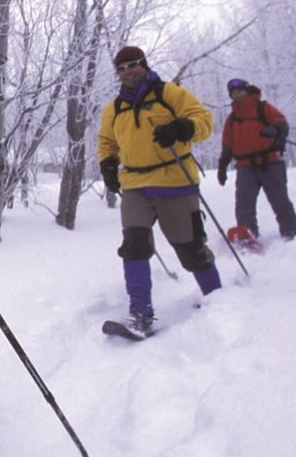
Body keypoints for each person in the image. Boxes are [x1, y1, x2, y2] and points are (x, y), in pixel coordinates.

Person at [97, 45, 221, 337]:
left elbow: (204, 120)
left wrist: (182, 127)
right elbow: (106, 140)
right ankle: (141, 315)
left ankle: (218, 299)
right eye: (122, 67)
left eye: (134, 64)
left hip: (174, 180)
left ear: (144, 64)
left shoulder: (170, 94)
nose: (128, 71)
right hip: (134, 185)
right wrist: (107, 165)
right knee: (134, 247)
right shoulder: (115, 108)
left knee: (189, 248)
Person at [217, 78, 295, 241]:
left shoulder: (263, 108)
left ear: (248, 90)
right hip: (245, 166)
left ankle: (290, 230)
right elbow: (227, 145)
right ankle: (247, 233)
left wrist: (274, 131)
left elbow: (282, 125)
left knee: (279, 199)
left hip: (270, 161)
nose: (236, 93)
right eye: (232, 91)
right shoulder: (232, 119)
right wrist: (222, 166)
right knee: (244, 203)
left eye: (239, 89)